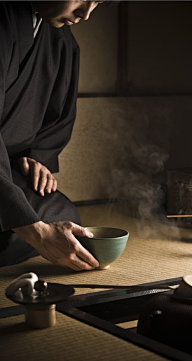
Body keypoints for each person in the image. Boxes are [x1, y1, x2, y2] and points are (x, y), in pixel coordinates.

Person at [0, 1, 102, 271]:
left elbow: (59, 115)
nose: (85, 14)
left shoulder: (61, 42)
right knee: (30, 225)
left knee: (62, 215)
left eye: (97, 3)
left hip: (7, 170)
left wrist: (34, 159)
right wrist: (39, 235)